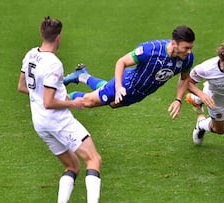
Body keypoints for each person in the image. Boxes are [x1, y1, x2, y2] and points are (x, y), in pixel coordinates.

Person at [17, 16, 101, 203]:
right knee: (94, 159)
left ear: (42, 34)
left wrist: (40, 95)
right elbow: (49, 102)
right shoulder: (54, 63)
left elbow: (22, 87)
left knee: (72, 166)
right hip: (57, 121)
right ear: (59, 37)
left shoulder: (31, 54)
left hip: (40, 123)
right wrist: (73, 103)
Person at [63, 25, 195, 119]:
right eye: (186, 48)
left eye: (191, 48)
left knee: (112, 104)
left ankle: (82, 75)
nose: (189, 51)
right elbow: (121, 62)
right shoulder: (150, 50)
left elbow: (184, 79)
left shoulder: (187, 58)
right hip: (126, 84)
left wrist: (178, 100)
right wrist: (119, 87)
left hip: (139, 94)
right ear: (174, 43)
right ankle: (61, 98)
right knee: (89, 102)